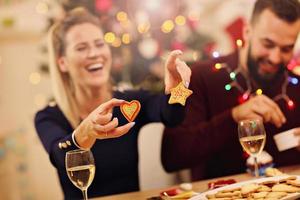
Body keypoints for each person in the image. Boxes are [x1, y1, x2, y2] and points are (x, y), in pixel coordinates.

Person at [34, 8, 191, 199]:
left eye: (99, 44)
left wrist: (177, 89)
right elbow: (60, 157)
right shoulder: (48, 117)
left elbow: (171, 115)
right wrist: (87, 131)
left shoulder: (129, 103)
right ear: (62, 63)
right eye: (81, 48)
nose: (94, 53)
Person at [162, 0, 300, 181]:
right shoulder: (201, 76)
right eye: (267, 44)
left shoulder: (295, 85)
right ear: (247, 32)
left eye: (286, 49)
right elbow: (171, 156)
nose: (275, 58)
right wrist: (233, 117)